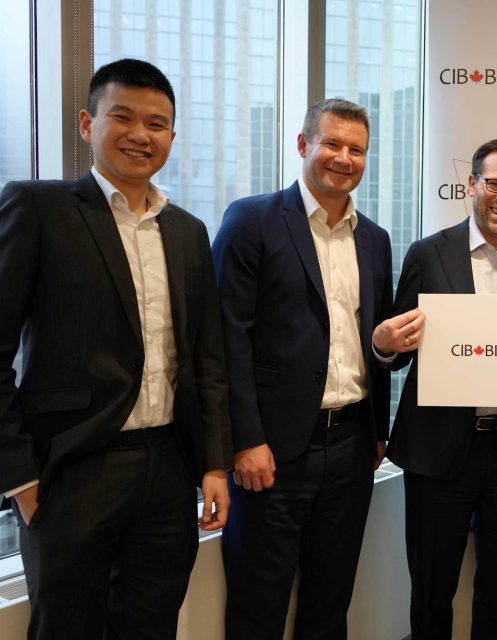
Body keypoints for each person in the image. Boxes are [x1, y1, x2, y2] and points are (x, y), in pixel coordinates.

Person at [0, 58, 231, 639]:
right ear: (87, 123)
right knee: (66, 628)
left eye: (157, 124)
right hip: (73, 469)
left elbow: (205, 359)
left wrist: (212, 463)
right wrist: (22, 480)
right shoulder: (40, 208)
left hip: (169, 469)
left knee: (151, 624)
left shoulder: (187, 231)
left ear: (172, 137)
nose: (140, 135)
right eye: (121, 117)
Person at [213, 99, 393, 639]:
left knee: (330, 598)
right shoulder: (253, 220)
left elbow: (374, 339)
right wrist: (244, 439)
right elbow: (227, 340)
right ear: (302, 145)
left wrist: (376, 432)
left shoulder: (375, 239)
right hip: (272, 451)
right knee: (259, 601)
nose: (344, 157)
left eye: (356, 149)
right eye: (332, 144)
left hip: (352, 446)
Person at [372, 138, 497, 639]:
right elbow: (399, 350)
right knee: (432, 585)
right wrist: (387, 345)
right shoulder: (427, 254)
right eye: (495, 184)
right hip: (438, 450)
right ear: (472, 184)